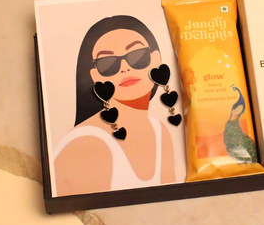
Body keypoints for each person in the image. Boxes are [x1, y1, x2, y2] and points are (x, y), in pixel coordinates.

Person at [53, 15, 176, 195]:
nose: (125, 68)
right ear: (96, 77)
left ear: (157, 59)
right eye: (108, 63)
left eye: (137, 56)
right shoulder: (87, 143)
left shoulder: (160, 131)